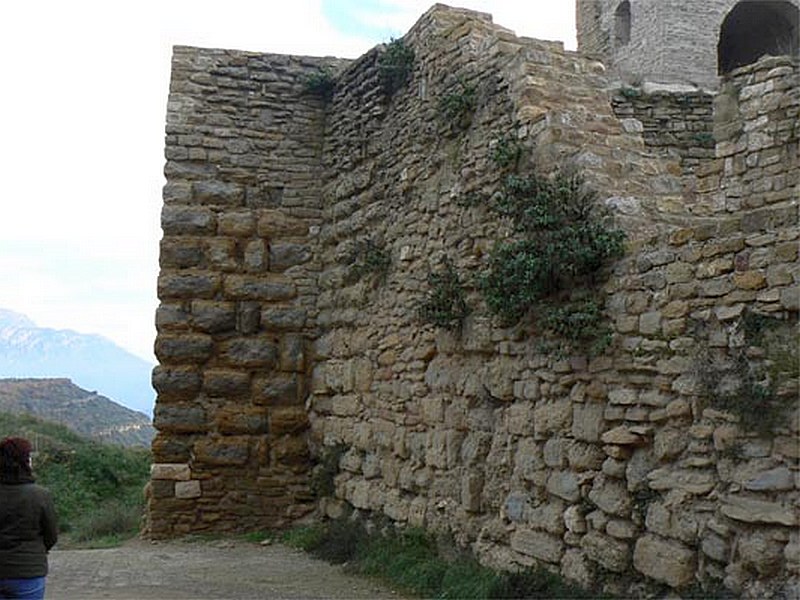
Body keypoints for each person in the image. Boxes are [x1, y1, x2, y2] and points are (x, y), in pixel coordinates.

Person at [0, 437, 58, 600]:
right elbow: (51, 535)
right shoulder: (40, 495)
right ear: (26, 462)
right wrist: (37, 550)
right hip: (28, 571)